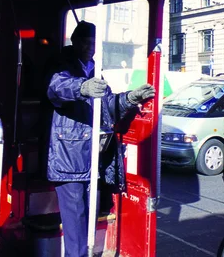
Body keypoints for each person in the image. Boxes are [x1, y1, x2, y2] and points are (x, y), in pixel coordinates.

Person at [46, 21, 155, 257]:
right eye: (85, 41)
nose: (90, 46)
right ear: (74, 42)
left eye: (94, 42)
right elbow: (56, 87)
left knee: (89, 214)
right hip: (69, 155)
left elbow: (107, 106)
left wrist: (129, 98)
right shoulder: (63, 65)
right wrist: (82, 87)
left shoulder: (94, 68)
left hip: (92, 155)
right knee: (74, 218)